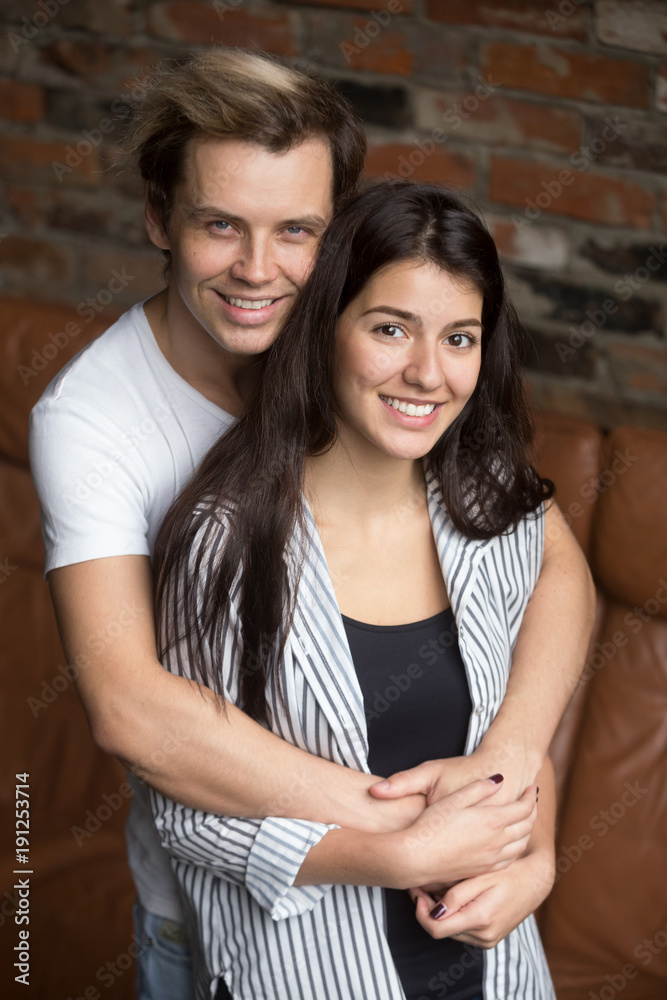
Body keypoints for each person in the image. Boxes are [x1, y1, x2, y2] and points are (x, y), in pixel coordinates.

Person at [29, 47, 593, 1000]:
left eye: (296, 229)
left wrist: (508, 795)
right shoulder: (91, 421)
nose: (258, 270)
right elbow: (133, 710)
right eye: (220, 226)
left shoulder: (371, 338)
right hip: (229, 922)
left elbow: (553, 569)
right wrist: (406, 823)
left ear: (336, 241)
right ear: (157, 218)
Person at [150, 180, 564, 1000]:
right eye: (389, 329)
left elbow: (514, 742)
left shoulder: (496, 510)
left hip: (502, 973)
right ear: (326, 328)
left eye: (458, 338)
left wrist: (537, 864)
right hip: (308, 975)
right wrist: (391, 854)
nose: (427, 373)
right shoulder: (224, 540)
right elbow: (186, 817)